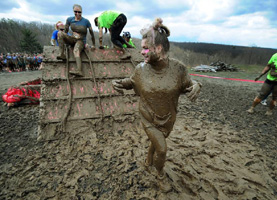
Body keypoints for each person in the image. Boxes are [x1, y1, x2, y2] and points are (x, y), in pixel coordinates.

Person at [112, 18, 202, 192]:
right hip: (147, 116)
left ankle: (147, 159)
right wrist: (119, 83)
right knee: (161, 148)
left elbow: (188, 85)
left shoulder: (179, 69)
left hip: (169, 118)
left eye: (146, 48)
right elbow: (131, 82)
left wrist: (198, 85)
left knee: (158, 139)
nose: (142, 52)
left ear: (158, 48)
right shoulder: (140, 69)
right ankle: (160, 175)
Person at [57, 4, 96, 76]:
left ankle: (79, 70)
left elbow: (92, 33)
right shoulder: (69, 19)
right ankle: (62, 54)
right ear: (73, 11)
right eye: (76, 11)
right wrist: (64, 40)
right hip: (72, 39)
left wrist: (94, 44)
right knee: (60, 33)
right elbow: (65, 30)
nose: (77, 13)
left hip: (80, 41)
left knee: (76, 50)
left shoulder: (86, 21)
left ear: (81, 12)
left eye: (79, 12)